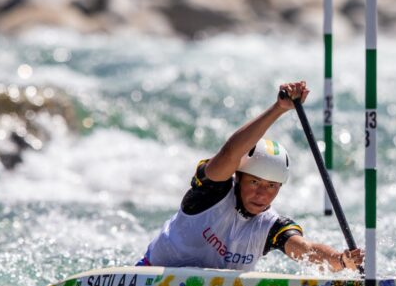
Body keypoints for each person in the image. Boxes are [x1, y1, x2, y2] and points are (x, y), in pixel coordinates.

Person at [137, 81, 364, 273]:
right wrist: (279, 108)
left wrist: (342, 260)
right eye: (255, 182)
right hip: (151, 277)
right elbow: (229, 153)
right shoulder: (213, 191)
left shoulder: (270, 226)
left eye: (272, 186)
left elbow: (305, 249)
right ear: (239, 177)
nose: (262, 194)